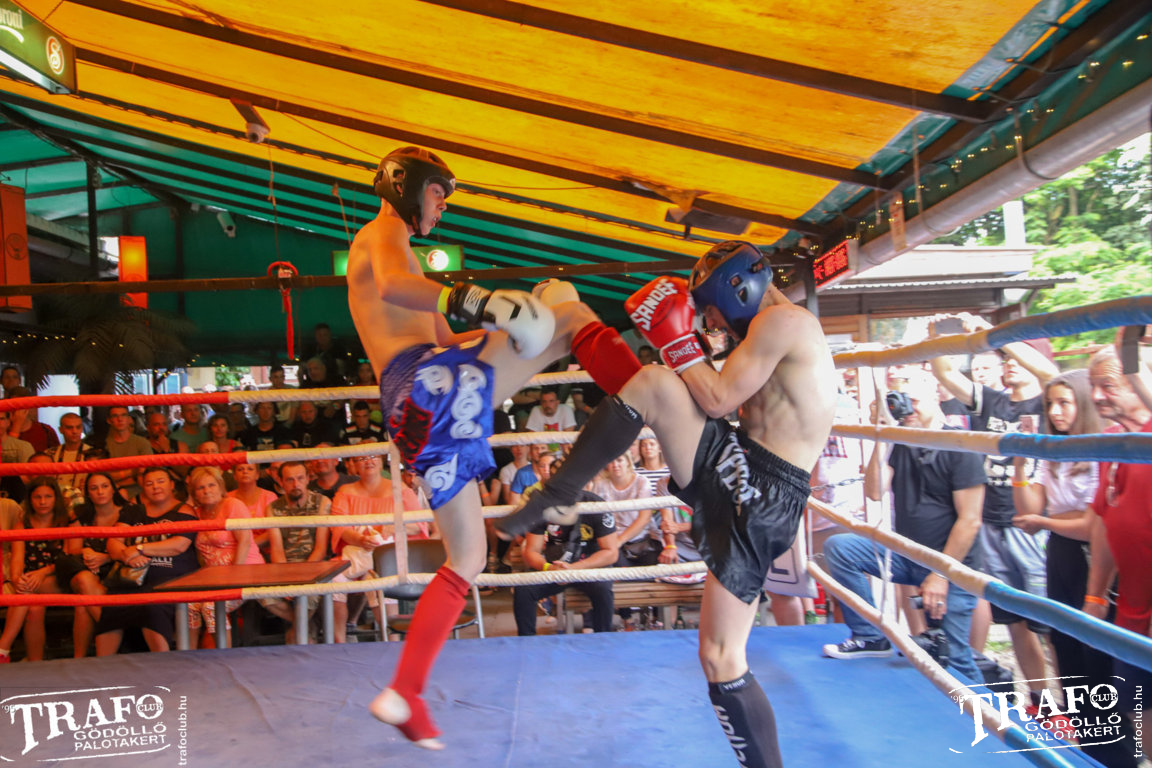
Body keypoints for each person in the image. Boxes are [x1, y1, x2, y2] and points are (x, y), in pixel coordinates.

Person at [499, 240, 837, 768]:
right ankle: (559, 491)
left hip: (762, 492)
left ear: (738, 290)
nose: (712, 321)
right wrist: (679, 349)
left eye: (712, 309)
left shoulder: (784, 322)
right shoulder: (766, 331)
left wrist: (677, 341)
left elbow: (717, 398)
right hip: (740, 463)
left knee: (720, 656)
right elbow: (704, 393)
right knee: (654, 384)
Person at [348, 146, 643, 748]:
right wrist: (479, 299)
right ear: (405, 184)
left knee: (469, 558)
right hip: (426, 385)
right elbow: (399, 286)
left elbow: (444, 336)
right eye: (438, 192)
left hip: (416, 407)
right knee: (566, 309)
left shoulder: (402, 253)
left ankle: (404, 692)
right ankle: (647, 394)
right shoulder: (382, 233)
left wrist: (496, 322)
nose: (442, 205)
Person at [821, 373, 985, 685]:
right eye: (901, 402)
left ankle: (983, 713)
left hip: (952, 567)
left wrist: (941, 574)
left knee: (954, 657)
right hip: (909, 555)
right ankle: (870, 637)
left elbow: (971, 520)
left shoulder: (960, 445)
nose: (907, 409)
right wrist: (881, 435)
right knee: (840, 547)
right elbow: (874, 491)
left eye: (914, 401)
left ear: (936, 398)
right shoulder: (902, 440)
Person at [929, 315, 1059, 706]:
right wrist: (936, 337)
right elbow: (946, 374)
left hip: (1035, 526)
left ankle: (1074, 703)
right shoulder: (993, 400)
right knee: (1014, 621)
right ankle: (1040, 701)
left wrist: (1001, 336)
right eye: (1006, 358)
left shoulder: (1050, 401)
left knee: (1051, 625)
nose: (1010, 363)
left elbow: (1049, 374)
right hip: (992, 521)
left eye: (1018, 357)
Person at [1083, 346, 1152, 728]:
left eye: (1108, 385)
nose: (1096, 396)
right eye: (1093, 386)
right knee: (1137, 705)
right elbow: (1104, 522)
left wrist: (1131, 344)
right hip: (1131, 606)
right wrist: (1095, 595)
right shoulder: (1110, 441)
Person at [95, 468, 198, 655]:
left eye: (161, 481)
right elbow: (113, 541)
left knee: (152, 605)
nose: (155, 487)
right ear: (143, 487)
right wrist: (126, 556)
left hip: (170, 579)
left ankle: (162, 663)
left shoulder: (184, 510)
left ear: (172, 485)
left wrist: (140, 549)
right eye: (149, 483)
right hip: (133, 578)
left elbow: (179, 545)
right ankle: (101, 664)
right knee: (114, 602)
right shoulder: (134, 510)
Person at [513, 488, 619, 635]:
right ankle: (526, 642)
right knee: (524, 589)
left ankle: (603, 639)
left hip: (589, 567)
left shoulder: (595, 504)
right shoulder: (540, 504)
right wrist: (548, 568)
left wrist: (575, 568)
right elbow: (532, 551)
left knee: (603, 590)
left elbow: (611, 553)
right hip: (556, 567)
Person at [53, 473, 136, 657]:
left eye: (104, 486)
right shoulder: (81, 514)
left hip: (116, 572)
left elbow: (132, 548)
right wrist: (87, 552)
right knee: (84, 578)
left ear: (113, 489)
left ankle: (80, 659)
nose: (100, 492)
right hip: (85, 569)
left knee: (83, 606)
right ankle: (120, 636)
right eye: (94, 488)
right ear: (88, 493)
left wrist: (105, 557)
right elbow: (73, 549)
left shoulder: (129, 511)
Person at [186, 466, 263, 648]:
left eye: (211, 485)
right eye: (200, 488)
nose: (207, 491)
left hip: (243, 571)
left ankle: (224, 656)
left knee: (211, 607)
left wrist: (233, 576)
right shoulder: (197, 513)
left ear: (221, 487)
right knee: (189, 606)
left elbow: (244, 541)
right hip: (214, 578)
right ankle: (187, 656)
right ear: (194, 493)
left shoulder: (233, 504)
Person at [0, 478, 74, 662]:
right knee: (34, 608)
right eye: (37, 497)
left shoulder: (66, 521)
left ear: (56, 498)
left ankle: (3, 648)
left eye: (48, 497)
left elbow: (70, 559)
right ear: (30, 499)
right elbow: (17, 559)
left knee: (26, 593)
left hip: (59, 578)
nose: (42, 502)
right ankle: (35, 663)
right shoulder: (22, 524)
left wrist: (42, 573)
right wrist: (16, 579)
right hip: (31, 581)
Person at [263, 461, 331, 643]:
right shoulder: (272, 508)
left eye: (300, 478)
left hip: (315, 567)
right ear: (280, 482)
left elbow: (320, 549)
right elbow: (277, 550)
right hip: (284, 569)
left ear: (308, 478)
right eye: (290, 480)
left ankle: (298, 631)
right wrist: (287, 580)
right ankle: (306, 625)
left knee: (308, 595)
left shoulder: (322, 502)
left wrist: (302, 580)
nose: (296, 484)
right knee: (261, 594)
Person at [103, 406, 153, 502]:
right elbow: (103, 478)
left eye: (123, 415)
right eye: (115, 416)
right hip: (110, 497)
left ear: (129, 418)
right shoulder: (103, 445)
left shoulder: (142, 443)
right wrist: (132, 472)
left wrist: (115, 478)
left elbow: (147, 475)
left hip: (141, 496)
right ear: (109, 420)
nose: (120, 419)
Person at [49, 412, 98, 507]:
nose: (74, 431)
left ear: (82, 428)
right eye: (69, 428)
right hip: (55, 504)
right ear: (60, 430)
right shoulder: (50, 454)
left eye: (78, 427)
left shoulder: (93, 454)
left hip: (85, 504)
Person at [6, 387, 60, 454]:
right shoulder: (3, 430)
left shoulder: (46, 430)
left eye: (22, 405)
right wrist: (16, 426)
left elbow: (56, 456)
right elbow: (6, 455)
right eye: (13, 404)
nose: (17, 409)